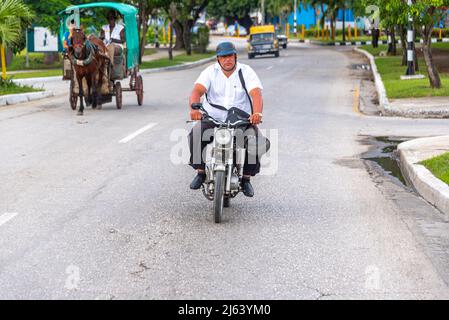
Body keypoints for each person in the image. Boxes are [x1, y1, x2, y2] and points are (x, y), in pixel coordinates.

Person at [188, 42, 266, 197]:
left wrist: (257, 113)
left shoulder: (246, 71)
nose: (227, 60)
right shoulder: (210, 72)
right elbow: (197, 91)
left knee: (255, 142)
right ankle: (201, 171)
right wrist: (194, 109)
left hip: (240, 119)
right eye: (223, 57)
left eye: (230, 55)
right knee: (195, 134)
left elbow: (256, 93)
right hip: (213, 117)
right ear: (218, 59)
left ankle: (246, 179)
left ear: (235, 56)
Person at [100, 10, 126, 76]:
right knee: (98, 49)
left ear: (115, 19)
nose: (110, 20)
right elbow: (101, 38)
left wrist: (114, 40)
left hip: (117, 47)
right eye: (109, 18)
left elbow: (123, 40)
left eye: (112, 18)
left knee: (111, 47)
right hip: (105, 47)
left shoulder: (120, 28)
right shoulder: (104, 27)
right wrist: (101, 37)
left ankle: (110, 64)